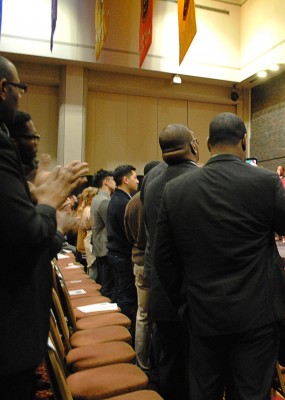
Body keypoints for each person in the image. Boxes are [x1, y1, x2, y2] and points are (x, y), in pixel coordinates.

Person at [153, 112, 285, 399]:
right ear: (244, 141)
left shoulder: (175, 189)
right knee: (251, 393)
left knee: (204, 392)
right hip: (256, 314)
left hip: (202, 315)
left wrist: (184, 302)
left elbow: (163, 258)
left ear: (206, 144)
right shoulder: (265, 181)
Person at [0, 55, 89, 399]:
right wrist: (47, 205)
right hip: (10, 332)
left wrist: (49, 217)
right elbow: (24, 235)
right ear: (4, 88)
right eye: (20, 89)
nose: (34, 143)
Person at [143, 124, 200, 400]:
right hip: (196, 294)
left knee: (169, 364)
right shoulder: (203, 180)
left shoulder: (151, 186)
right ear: (194, 146)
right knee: (198, 369)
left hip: (163, 292)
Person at [124, 161, 160, 373]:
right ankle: (157, 361)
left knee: (143, 315)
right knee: (158, 317)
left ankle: (142, 363)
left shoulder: (133, 202)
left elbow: (127, 233)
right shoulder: (157, 198)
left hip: (138, 261)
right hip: (155, 264)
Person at [106, 164, 139, 327]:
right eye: (134, 177)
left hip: (116, 253)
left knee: (119, 292)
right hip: (122, 255)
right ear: (125, 180)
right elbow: (129, 232)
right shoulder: (123, 201)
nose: (138, 181)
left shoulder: (116, 198)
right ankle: (124, 330)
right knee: (126, 297)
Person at [90, 169, 116, 299]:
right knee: (108, 286)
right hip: (105, 246)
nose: (115, 182)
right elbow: (112, 224)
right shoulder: (104, 201)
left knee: (106, 282)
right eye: (113, 179)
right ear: (106, 182)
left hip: (99, 245)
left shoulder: (97, 198)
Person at [78, 187, 99, 279]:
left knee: (92, 266)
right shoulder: (88, 209)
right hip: (90, 237)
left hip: (90, 237)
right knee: (92, 266)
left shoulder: (86, 208)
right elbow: (89, 225)